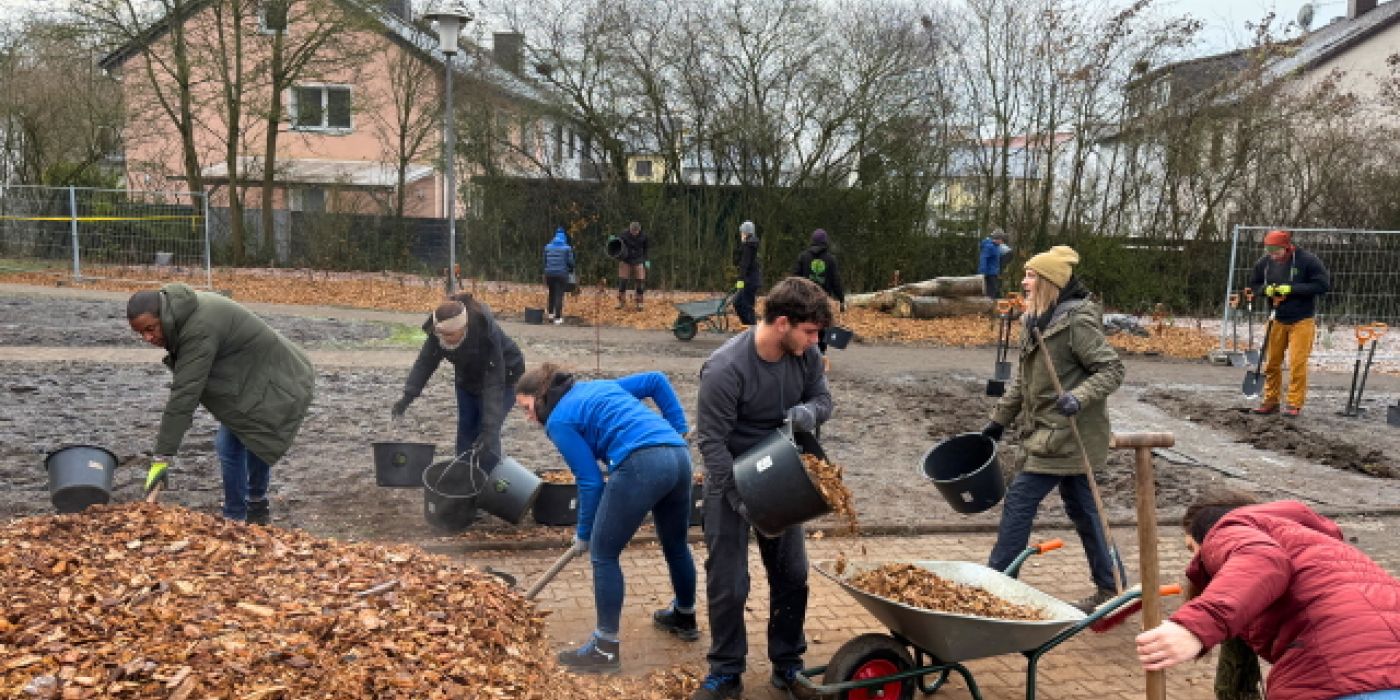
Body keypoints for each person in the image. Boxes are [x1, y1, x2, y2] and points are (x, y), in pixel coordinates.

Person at [693, 276, 833, 700]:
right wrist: (739, 499)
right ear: (782, 323)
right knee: (729, 581)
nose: (814, 341)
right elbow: (711, 443)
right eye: (809, 332)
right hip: (729, 477)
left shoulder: (805, 357)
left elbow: (824, 402)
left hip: (782, 473)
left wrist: (805, 414)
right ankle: (726, 672)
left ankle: (788, 664)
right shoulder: (725, 368)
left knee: (792, 575)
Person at [514, 363, 698, 674]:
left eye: (527, 407)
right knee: (676, 543)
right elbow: (656, 380)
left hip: (641, 464)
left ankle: (604, 648)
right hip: (679, 457)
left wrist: (585, 532)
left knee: (603, 553)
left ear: (542, 397)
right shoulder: (597, 386)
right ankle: (684, 615)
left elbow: (589, 481)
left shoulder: (558, 421)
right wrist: (678, 428)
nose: (528, 417)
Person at [979, 245, 1126, 613]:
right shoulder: (1036, 321)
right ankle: (1113, 586)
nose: (1023, 282)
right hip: (1044, 432)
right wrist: (997, 423)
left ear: (1048, 283)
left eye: (1030, 276)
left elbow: (1112, 369)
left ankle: (997, 585)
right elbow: (1023, 382)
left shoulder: (1077, 322)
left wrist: (1078, 396)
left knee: (1019, 502)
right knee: (1085, 510)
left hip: (1067, 436)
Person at [1136, 495, 1400, 699]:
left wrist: (1194, 627)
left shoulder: (1232, 529)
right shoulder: (1317, 547)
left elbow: (1264, 561)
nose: (1194, 561)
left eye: (1192, 549)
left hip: (1350, 676)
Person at [126, 283, 315, 524]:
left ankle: (238, 514)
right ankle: (251, 506)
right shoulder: (182, 312)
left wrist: (162, 456)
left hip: (282, 379)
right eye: (141, 333)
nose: (148, 338)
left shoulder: (198, 329)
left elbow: (185, 394)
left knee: (242, 441)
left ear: (163, 314)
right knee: (246, 438)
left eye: (150, 329)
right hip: (253, 378)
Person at [391, 293, 525, 463]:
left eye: (450, 335)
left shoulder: (486, 334)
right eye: (442, 335)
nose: (444, 339)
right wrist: (408, 396)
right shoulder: (439, 330)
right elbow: (425, 362)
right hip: (467, 377)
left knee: (487, 434)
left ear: (464, 327)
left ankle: (489, 478)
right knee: (466, 429)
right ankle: (462, 476)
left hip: (505, 376)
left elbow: (494, 383)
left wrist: (489, 429)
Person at [1248, 229, 1330, 417]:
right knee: (1272, 362)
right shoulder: (1264, 264)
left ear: (1287, 247)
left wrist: (1292, 289)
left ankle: (1294, 403)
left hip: (1302, 319)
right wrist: (1265, 290)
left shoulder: (1308, 261)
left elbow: (1322, 285)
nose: (1273, 256)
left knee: (1297, 363)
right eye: (1269, 252)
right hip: (1276, 317)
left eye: (1276, 251)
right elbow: (1254, 284)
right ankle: (1271, 400)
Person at [792, 228, 845, 354]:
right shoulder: (830, 259)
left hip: (804, 298)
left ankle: (803, 352)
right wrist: (841, 298)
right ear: (825, 242)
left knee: (805, 324)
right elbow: (835, 281)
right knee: (822, 327)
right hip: (822, 299)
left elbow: (795, 277)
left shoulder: (803, 256)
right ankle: (820, 354)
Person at [543, 226, 575, 324]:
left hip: (549, 274)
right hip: (561, 274)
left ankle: (550, 315)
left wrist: (547, 270)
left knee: (551, 293)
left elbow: (544, 261)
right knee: (559, 295)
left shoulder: (547, 247)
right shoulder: (567, 248)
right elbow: (571, 263)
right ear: (564, 238)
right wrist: (570, 269)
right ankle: (558, 318)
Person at [732, 220, 762, 326]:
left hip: (750, 281)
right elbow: (738, 262)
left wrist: (741, 280)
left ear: (746, 232)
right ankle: (749, 327)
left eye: (742, 232)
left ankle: (751, 328)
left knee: (744, 305)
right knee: (740, 303)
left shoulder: (749, 246)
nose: (741, 234)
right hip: (751, 280)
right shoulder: (749, 245)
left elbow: (745, 264)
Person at [615, 221, 649, 310]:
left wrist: (646, 261)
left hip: (638, 260)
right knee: (623, 282)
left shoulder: (644, 236)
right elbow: (616, 243)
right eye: (632, 231)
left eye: (636, 231)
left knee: (640, 282)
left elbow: (646, 249)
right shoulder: (623, 234)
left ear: (639, 230)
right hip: (625, 260)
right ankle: (621, 302)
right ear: (629, 229)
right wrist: (612, 240)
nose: (634, 233)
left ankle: (639, 303)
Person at [978, 229, 1011, 299]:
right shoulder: (989, 246)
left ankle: (991, 305)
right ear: (997, 239)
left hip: (994, 272)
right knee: (991, 291)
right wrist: (982, 272)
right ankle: (989, 306)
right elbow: (983, 259)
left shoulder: (996, 246)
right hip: (989, 273)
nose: (1002, 242)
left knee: (994, 290)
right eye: (1001, 240)